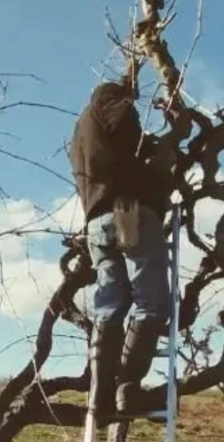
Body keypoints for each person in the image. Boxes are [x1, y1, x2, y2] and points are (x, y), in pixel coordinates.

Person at [68, 80, 177, 421]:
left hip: (96, 222)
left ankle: (99, 401)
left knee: (109, 304)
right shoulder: (112, 104)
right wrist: (159, 159)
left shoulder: (80, 130)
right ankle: (128, 388)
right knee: (151, 300)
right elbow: (125, 130)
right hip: (129, 211)